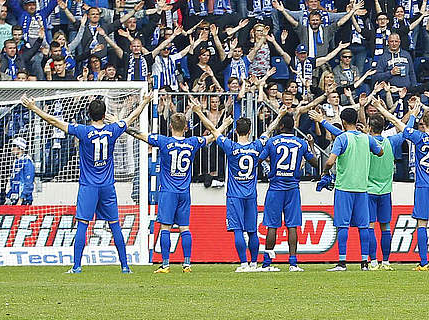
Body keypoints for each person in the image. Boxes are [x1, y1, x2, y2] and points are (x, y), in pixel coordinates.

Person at [20, 93, 149, 274]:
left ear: (89, 114)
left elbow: (55, 122)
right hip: (107, 186)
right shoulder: (113, 130)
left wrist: (34, 108)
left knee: (82, 224)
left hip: (89, 186)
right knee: (114, 224)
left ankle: (77, 266)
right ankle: (125, 266)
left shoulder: (83, 131)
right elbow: (131, 117)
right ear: (105, 114)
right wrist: (144, 101)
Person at [371, 97, 429, 270]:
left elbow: (395, 122)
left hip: (423, 185)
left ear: (423, 121)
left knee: (422, 222)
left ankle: (424, 262)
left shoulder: (419, 137)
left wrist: (380, 108)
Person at [127, 102, 220, 272]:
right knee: (185, 228)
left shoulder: (164, 141)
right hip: (184, 192)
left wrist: (123, 126)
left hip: (168, 192)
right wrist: (200, 113)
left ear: (170, 126)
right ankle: (187, 264)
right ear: (186, 127)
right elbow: (214, 134)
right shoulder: (193, 142)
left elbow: (139, 135)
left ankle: (166, 264)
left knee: (165, 227)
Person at [191, 105, 264, 273]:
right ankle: (254, 263)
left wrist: (199, 113)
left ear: (236, 131)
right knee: (252, 230)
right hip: (251, 195)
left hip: (234, 195)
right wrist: (281, 115)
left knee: (238, 229)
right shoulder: (257, 145)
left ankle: (244, 264)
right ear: (250, 130)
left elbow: (212, 129)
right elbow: (271, 128)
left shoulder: (230, 146)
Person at [320, 106, 385, 271]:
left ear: (342, 121)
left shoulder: (342, 139)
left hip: (344, 187)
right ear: (356, 120)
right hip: (362, 188)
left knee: (343, 225)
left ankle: (342, 262)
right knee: (363, 226)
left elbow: (330, 161)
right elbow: (380, 152)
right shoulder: (367, 139)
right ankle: (364, 262)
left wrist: (325, 172)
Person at [259, 111, 315, 272]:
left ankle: (267, 263)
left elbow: (259, 159)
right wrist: (310, 146)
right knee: (292, 226)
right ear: (294, 126)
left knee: (271, 226)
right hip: (292, 188)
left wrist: (271, 160)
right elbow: (315, 162)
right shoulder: (300, 143)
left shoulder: (272, 142)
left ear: (281, 126)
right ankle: (293, 263)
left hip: (275, 188)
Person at [5, 137, 36, 205]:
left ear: (20, 148)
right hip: (14, 198)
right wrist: (8, 196)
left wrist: (21, 198)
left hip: (23, 200)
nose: (11, 149)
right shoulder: (16, 161)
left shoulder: (27, 162)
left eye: (14, 146)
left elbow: (29, 183)